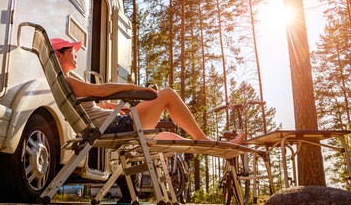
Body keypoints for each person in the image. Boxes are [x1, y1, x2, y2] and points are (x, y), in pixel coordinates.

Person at [51, 37, 245, 144]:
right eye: (71, 52)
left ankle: (216, 146)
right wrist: (134, 88)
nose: (76, 55)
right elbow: (101, 90)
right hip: (114, 127)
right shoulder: (69, 82)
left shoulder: (71, 81)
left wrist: (116, 107)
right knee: (167, 93)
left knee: (174, 138)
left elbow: (97, 103)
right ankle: (204, 140)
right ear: (58, 56)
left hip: (113, 122)